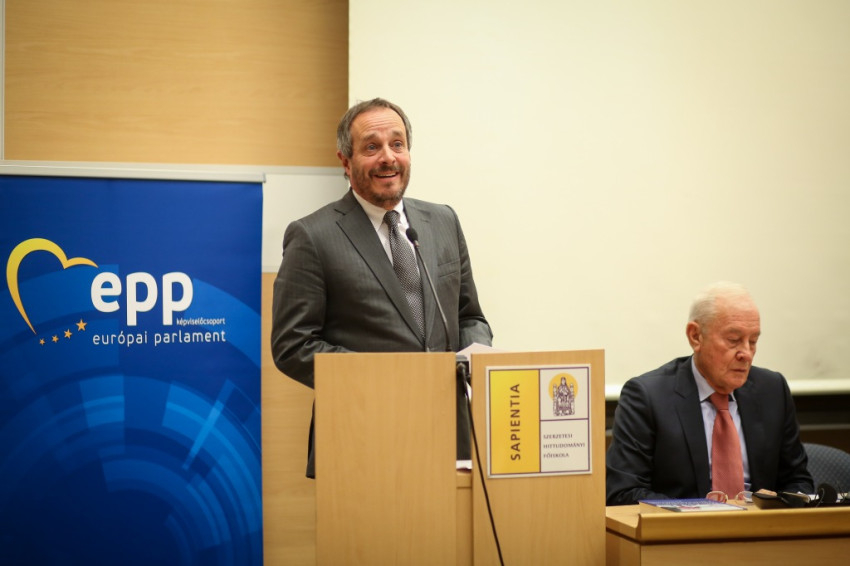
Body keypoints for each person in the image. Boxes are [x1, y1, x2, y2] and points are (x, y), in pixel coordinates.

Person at [271, 98, 493, 478]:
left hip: (450, 432)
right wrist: (384, 379)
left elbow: (469, 316)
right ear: (345, 161)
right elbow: (293, 345)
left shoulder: (443, 221)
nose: (388, 157)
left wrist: (475, 358)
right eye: (372, 147)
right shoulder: (312, 235)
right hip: (360, 432)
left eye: (397, 144)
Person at [606, 281, 812, 505]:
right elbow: (623, 493)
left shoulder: (772, 390)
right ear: (696, 336)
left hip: (760, 523)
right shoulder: (647, 397)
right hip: (685, 525)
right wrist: (701, 511)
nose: (746, 353)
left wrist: (778, 501)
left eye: (753, 341)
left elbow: (798, 481)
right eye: (733, 340)